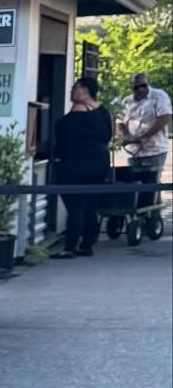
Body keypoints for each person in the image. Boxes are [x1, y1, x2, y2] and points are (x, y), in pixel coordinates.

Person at [52, 77, 113, 256]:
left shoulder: (76, 114)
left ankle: (70, 246)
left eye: (75, 88)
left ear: (85, 90)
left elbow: (64, 137)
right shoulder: (103, 112)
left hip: (75, 165)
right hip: (99, 163)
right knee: (90, 204)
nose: (71, 92)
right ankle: (87, 244)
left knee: (75, 205)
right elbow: (107, 135)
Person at [116, 72, 171, 239]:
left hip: (155, 148)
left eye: (143, 86)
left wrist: (144, 136)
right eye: (137, 87)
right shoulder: (127, 101)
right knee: (134, 181)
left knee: (150, 180)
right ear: (132, 88)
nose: (141, 90)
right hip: (135, 150)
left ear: (147, 84)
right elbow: (120, 121)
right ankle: (135, 212)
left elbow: (164, 118)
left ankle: (148, 215)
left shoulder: (158, 96)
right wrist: (123, 135)